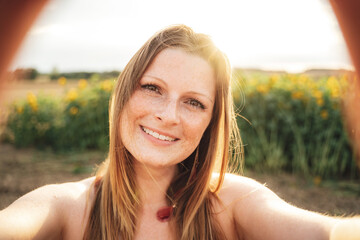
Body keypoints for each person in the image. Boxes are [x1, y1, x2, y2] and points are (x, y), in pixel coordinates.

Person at [0, 24, 359, 240]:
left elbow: (327, 234)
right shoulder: (67, 207)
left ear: (210, 122)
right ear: (124, 94)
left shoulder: (232, 203)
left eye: (193, 102)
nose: (168, 115)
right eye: (152, 88)